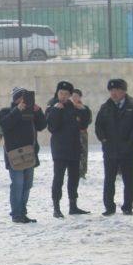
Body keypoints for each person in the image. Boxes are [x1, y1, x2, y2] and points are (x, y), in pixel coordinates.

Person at [95, 78, 133, 216]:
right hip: (110, 149)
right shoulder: (105, 107)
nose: (113, 93)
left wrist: (131, 140)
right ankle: (109, 207)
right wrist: (103, 139)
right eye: (111, 90)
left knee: (128, 179)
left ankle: (128, 206)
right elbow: (98, 126)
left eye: (116, 90)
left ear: (124, 91)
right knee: (109, 179)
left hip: (127, 149)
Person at [0, 88, 46, 224]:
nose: (25, 100)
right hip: (14, 155)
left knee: (27, 185)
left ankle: (22, 212)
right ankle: (16, 214)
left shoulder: (31, 112)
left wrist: (38, 112)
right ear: (16, 99)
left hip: (30, 154)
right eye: (22, 97)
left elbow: (42, 125)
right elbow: (4, 125)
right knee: (18, 184)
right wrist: (17, 110)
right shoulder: (6, 111)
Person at [46, 80, 92, 217]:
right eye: (61, 93)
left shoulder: (74, 108)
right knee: (58, 178)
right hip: (60, 149)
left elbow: (83, 125)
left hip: (74, 148)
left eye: (66, 94)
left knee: (74, 177)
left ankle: (73, 205)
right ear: (57, 93)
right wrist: (56, 111)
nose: (63, 96)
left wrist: (84, 111)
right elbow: (52, 127)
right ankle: (56, 207)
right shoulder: (52, 107)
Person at [72, 89, 91, 179]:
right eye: (73, 96)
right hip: (72, 134)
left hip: (82, 133)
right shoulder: (69, 107)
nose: (74, 98)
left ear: (80, 97)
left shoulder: (85, 108)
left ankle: (82, 172)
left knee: (83, 153)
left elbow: (88, 120)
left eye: (76, 96)